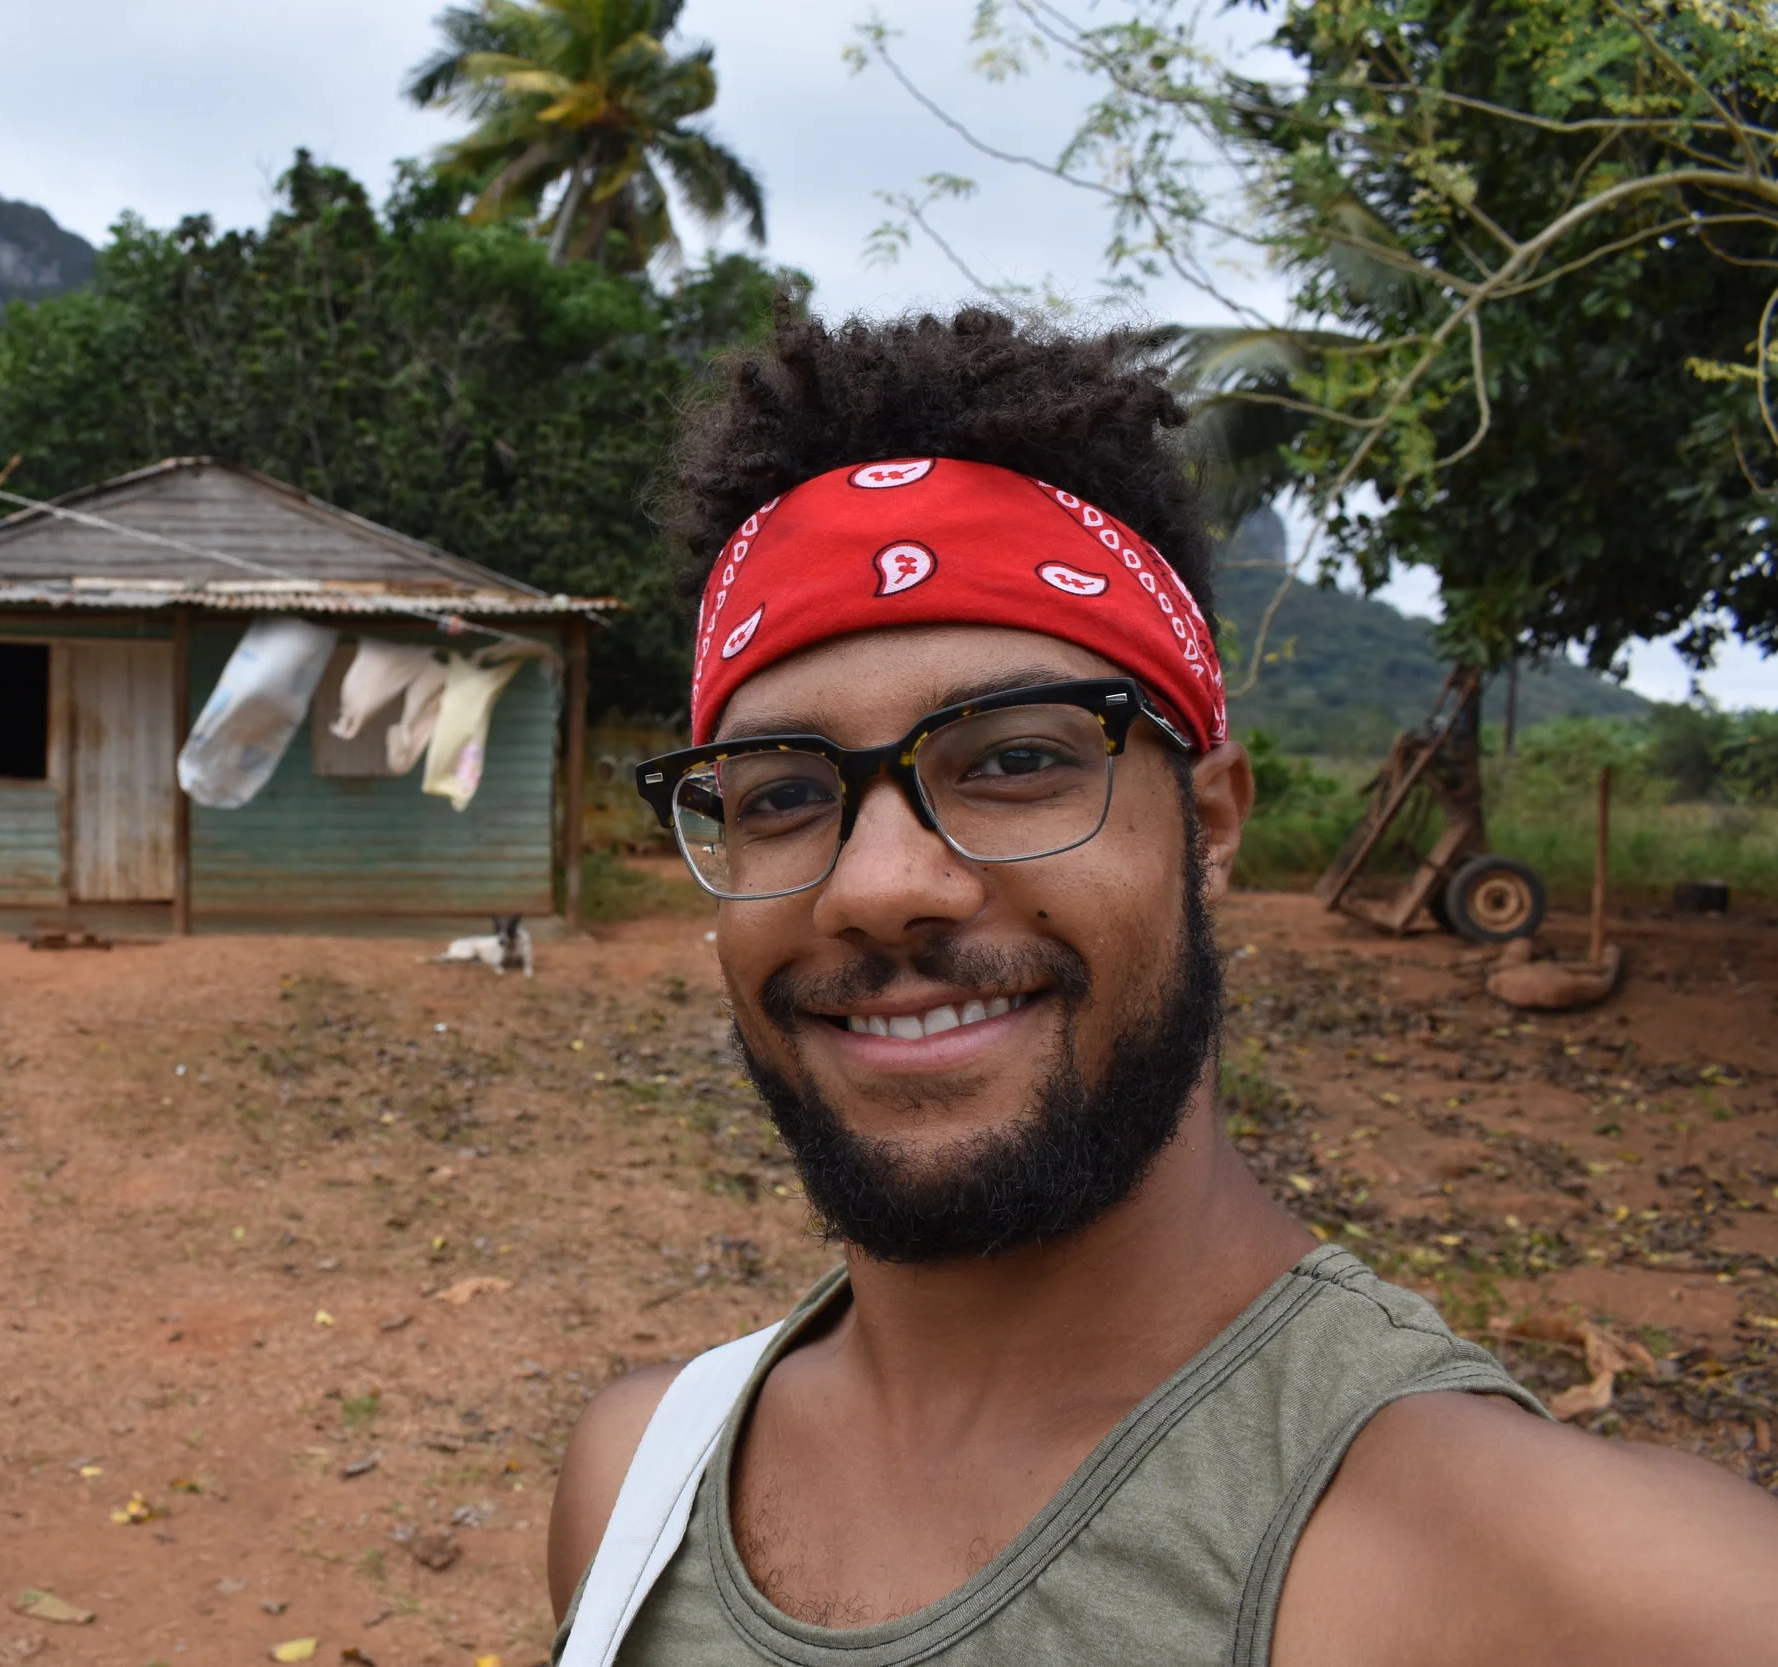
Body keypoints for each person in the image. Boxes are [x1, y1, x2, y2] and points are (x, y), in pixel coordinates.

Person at [546, 308, 1778, 1667]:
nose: (879, 884)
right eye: (781, 793)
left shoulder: (1577, 1589)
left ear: (1211, 821)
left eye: (1016, 761)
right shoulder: (635, 1490)